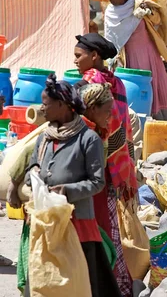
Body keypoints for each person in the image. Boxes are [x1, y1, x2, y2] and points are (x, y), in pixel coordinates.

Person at [23, 75, 121, 297]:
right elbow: (32, 166)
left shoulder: (88, 139)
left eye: (46, 104)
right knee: (43, 277)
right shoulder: (45, 137)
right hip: (47, 222)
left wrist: (67, 191)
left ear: (63, 105)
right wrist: (34, 175)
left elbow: (97, 182)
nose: (42, 108)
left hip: (78, 224)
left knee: (79, 282)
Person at [74, 33, 138, 296]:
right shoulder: (119, 83)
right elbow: (123, 128)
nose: (75, 60)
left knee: (90, 226)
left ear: (94, 57)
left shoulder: (90, 83)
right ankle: (116, 281)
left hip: (91, 165)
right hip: (116, 165)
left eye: (79, 56)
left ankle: (92, 282)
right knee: (110, 227)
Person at [104, 0, 167, 119]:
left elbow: (158, 20)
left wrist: (148, 11)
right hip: (128, 55)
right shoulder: (110, 12)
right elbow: (111, 36)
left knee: (153, 85)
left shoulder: (137, 3)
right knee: (136, 88)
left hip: (149, 53)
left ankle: (159, 120)